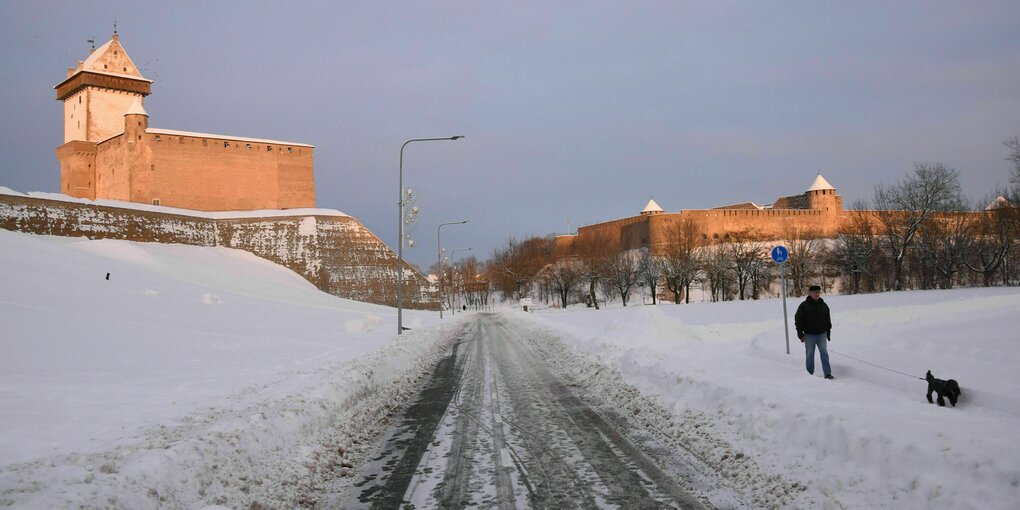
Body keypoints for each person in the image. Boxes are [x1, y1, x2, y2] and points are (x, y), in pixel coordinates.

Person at [795, 285, 833, 379]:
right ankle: (809, 374)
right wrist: (800, 334)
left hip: (821, 335)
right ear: (810, 293)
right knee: (810, 355)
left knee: (824, 353)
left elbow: (828, 321)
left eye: (818, 292)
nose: (816, 294)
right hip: (809, 335)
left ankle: (827, 373)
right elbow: (798, 320)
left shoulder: (824, 305)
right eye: (814, 292)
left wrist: (828, 333)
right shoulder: (803, 306)